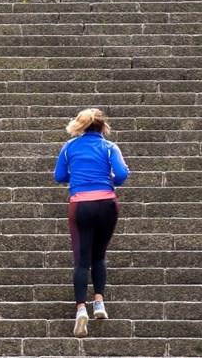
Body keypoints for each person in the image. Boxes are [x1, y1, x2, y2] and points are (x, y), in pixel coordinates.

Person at [53, 108, 129, 338]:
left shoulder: (69, 147)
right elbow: (122, 174)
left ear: (81, 126)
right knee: (99, 255)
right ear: (103, 127)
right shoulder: (109, 147)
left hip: (81, 205)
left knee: (81, 260)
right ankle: (99, 304)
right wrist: (111, 179)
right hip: (107, 204)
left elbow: (59, 176)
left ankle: (80, 309)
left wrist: (75, 176)